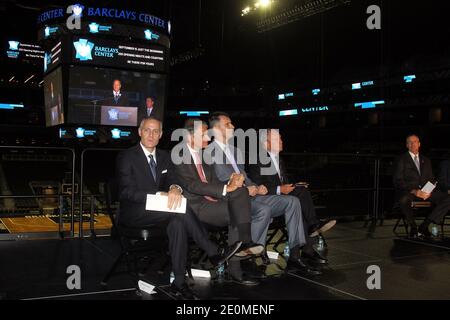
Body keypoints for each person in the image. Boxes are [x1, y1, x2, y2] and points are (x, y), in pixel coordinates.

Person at [116, 116, 241, 299]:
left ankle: (179, 283)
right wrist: (159, 195)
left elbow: (174, 180)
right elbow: (127, 192)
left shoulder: (165, 157)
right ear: (139, 132)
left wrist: (174, 188)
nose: (151, 135)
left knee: (177, 223)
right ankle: (213, 251)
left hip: (163, 211)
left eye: (156, 131)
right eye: (147, 130)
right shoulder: (127, 156)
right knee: (180, 208)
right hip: (135, 212)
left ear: (161, 135)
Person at [205, 112, 323, 274]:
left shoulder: (233, 150)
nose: (233, 127)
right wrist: (248, 188)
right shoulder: (210, 152)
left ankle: (295, 255)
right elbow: (223, 180)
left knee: (293, 201)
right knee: (265, 210)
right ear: (216, 129)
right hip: (233, 199)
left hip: (250, 195)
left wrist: (256, 186)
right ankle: (250, 254)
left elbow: (244, 176)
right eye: (228, 124)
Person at [173, 118, 265, 285]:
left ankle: (244, 242)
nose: (208, 138)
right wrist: (225, 189)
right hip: (194, 208)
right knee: (236, 210)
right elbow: (192, 185)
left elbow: (215, 183)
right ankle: (237, 266)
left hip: (211, 203)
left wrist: (231, 183)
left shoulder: (205, 156)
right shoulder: (179, 154)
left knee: (241, 191)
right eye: (204, 135)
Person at [248, 129, 336, 238]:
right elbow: (257, 188)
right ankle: (313, 226)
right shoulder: (257, 160)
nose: (281, 141)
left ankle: (307, 242)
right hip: (269, 200)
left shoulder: (280, 160)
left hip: (283, 197)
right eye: (277, 139)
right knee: (300, 203)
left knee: (301, 193)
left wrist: (294, 185)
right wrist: (280, 189)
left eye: (280, 138)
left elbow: (284, 183)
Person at [393, 134, 450, 238]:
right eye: (410, 142)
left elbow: (431, 179)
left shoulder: (426, 160)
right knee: (403, 200)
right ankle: (413, 227)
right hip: (410, 192)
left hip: (425, 191)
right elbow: (398, 180)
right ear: (407, 145)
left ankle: (425, 225)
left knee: (447, 198)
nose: (412, 144)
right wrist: (414, 191)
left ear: (419, 144)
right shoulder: (401, 159)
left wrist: (428, 191)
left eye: (415, 142)